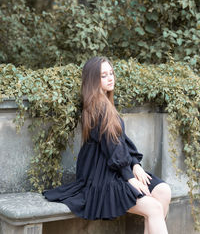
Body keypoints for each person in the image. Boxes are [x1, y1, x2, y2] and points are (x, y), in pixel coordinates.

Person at [43, 56, 171, 234]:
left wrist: (135, 164)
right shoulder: (97, 107)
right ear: (93, 80)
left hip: (117, 170)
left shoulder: (107, 104)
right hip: (102, 177)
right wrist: (130, 177)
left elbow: (122, 140)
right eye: (104, 75)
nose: (110, 78)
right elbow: (112, 147)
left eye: (111, 73)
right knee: (154, 208)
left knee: (163, 191)